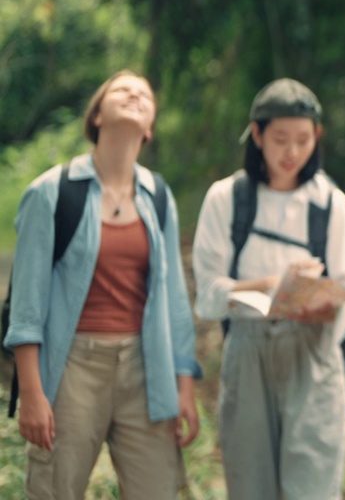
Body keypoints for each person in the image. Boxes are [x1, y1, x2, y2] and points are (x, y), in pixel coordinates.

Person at [4, 70, 202, 499]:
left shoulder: (158, 196)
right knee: (54, 489)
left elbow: (174, 300)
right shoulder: (52, 192)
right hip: (73, 367)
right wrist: (33, 394)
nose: (134, 94)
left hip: (144, 368)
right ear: (97, 115)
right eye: (122, 89)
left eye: (144, 94)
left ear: (149, 127)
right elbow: (26, 307)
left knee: (159, 490)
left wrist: (183, 384)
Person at [192, 78, 345, 500]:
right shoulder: (226, 199)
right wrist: (270, 285)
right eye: (280, 139)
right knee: (250, 483)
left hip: (313, 352)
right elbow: (208, 296)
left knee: (313, 484)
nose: (291, 153)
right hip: (247, 350)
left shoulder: (330, 203)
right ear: (257, 134)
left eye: (303, 140)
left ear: (317, 137)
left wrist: (321, 304)